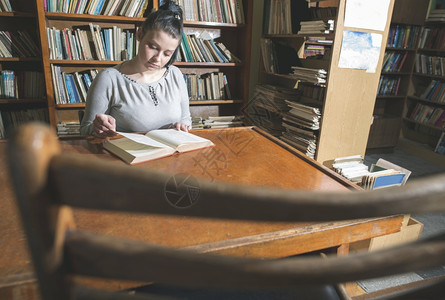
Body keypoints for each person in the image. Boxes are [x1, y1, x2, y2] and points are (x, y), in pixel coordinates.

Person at [80, 0, 191, 138]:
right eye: (153, 47)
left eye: (167, 54)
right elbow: (85, 130)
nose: (158, 58)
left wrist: (180, 127)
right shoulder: (109, 79)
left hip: (171, 155)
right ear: (139, 34)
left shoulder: (175, 75)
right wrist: (97, 128)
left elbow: (186, 119)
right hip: (126, 157)